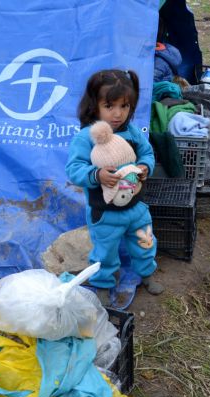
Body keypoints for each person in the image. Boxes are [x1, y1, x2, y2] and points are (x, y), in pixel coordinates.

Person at [66, 69, 164, 296]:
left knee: (145, 242)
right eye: (109, 106)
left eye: (124, 106)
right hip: (105, 213)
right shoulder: (86, 137)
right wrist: (97, 175)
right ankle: (103, 285)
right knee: (105, 252)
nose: (118, 114)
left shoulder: (132, 132)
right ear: (94, 105)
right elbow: (74, 169)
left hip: (137, 208)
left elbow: (147, 153)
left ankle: (146, 274)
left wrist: (145, 166)